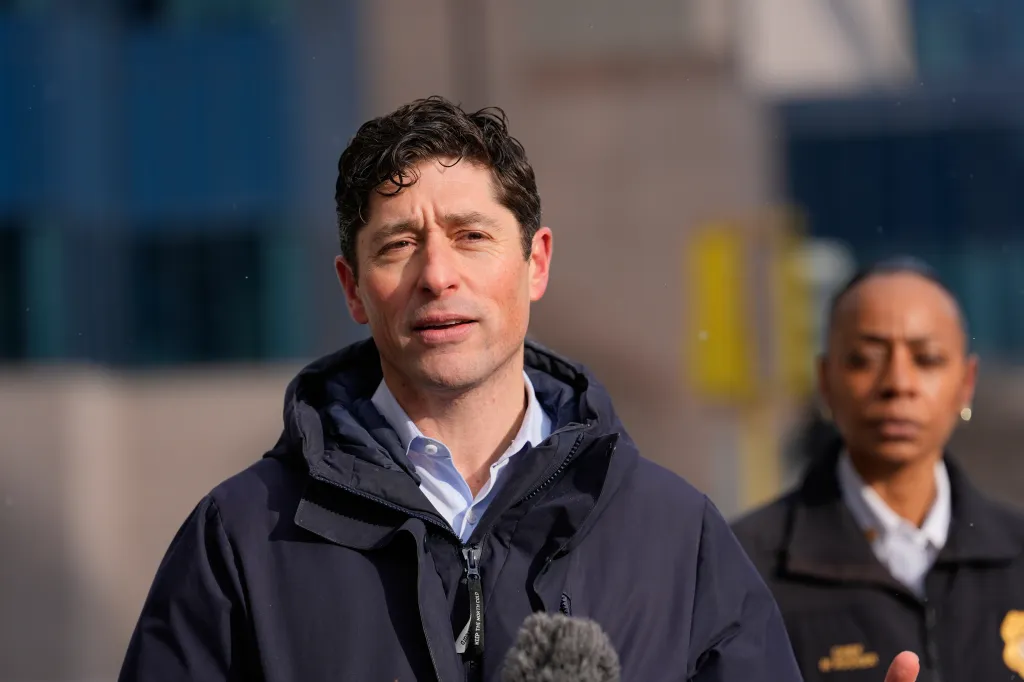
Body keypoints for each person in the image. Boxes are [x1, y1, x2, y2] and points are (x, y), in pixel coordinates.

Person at [117, 96, 920, 682]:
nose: (438, 274)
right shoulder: (241, 540)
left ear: (535, 263)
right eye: (398, 246)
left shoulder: (678, 538)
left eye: (471, 236)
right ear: (353, 288)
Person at [733, 258, 1024, 682]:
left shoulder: (1016, 555)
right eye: (864, 359)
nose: (898, 383)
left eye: (927, 359)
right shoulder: (745, 567)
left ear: (966, 383)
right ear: (825, 381)